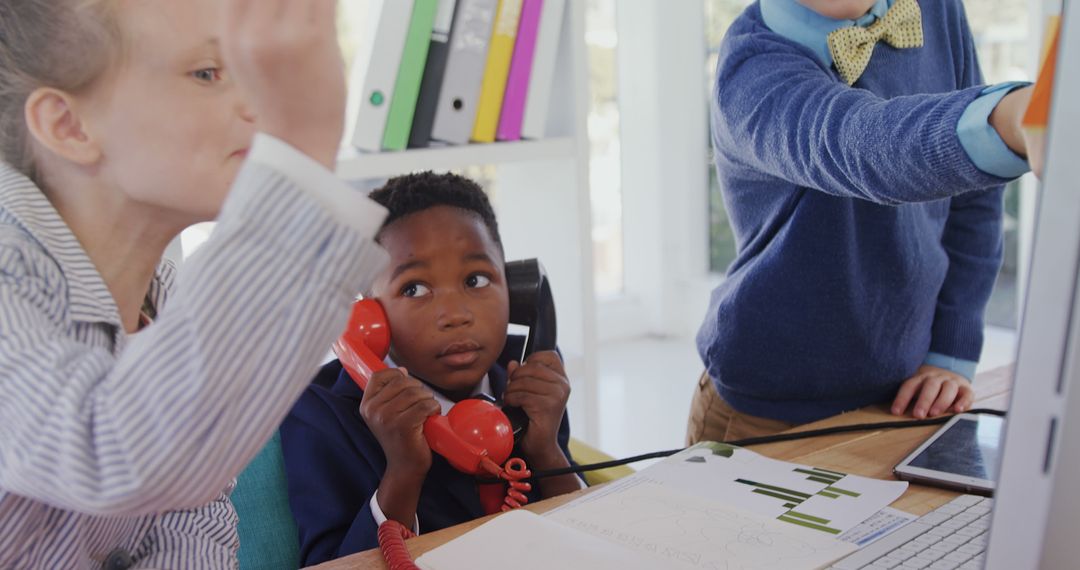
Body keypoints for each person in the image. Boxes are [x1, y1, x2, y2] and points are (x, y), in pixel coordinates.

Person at [0, 0, 389, 567]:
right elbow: (113, 451)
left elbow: (194, 513)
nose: (258, 105)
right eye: (207, 73)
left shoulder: (165, 291)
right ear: (69, 125)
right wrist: (300, 147)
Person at [688, 0, 1040, 444]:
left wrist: (952, 348)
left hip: (899, 397)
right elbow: (867, 148)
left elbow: (976, 197)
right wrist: (1012, 118)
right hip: (764, 412)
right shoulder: (751, 70)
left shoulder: (936, 10)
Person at [281, 172, 584, 566]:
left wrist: (546, 450)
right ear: (369, 314)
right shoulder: (318, 415)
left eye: (476, 280)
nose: (455, 315)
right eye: (415, 289)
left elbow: (590, 536)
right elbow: (332, 563)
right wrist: (403, 471)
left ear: (516, 289)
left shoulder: (526, 374)